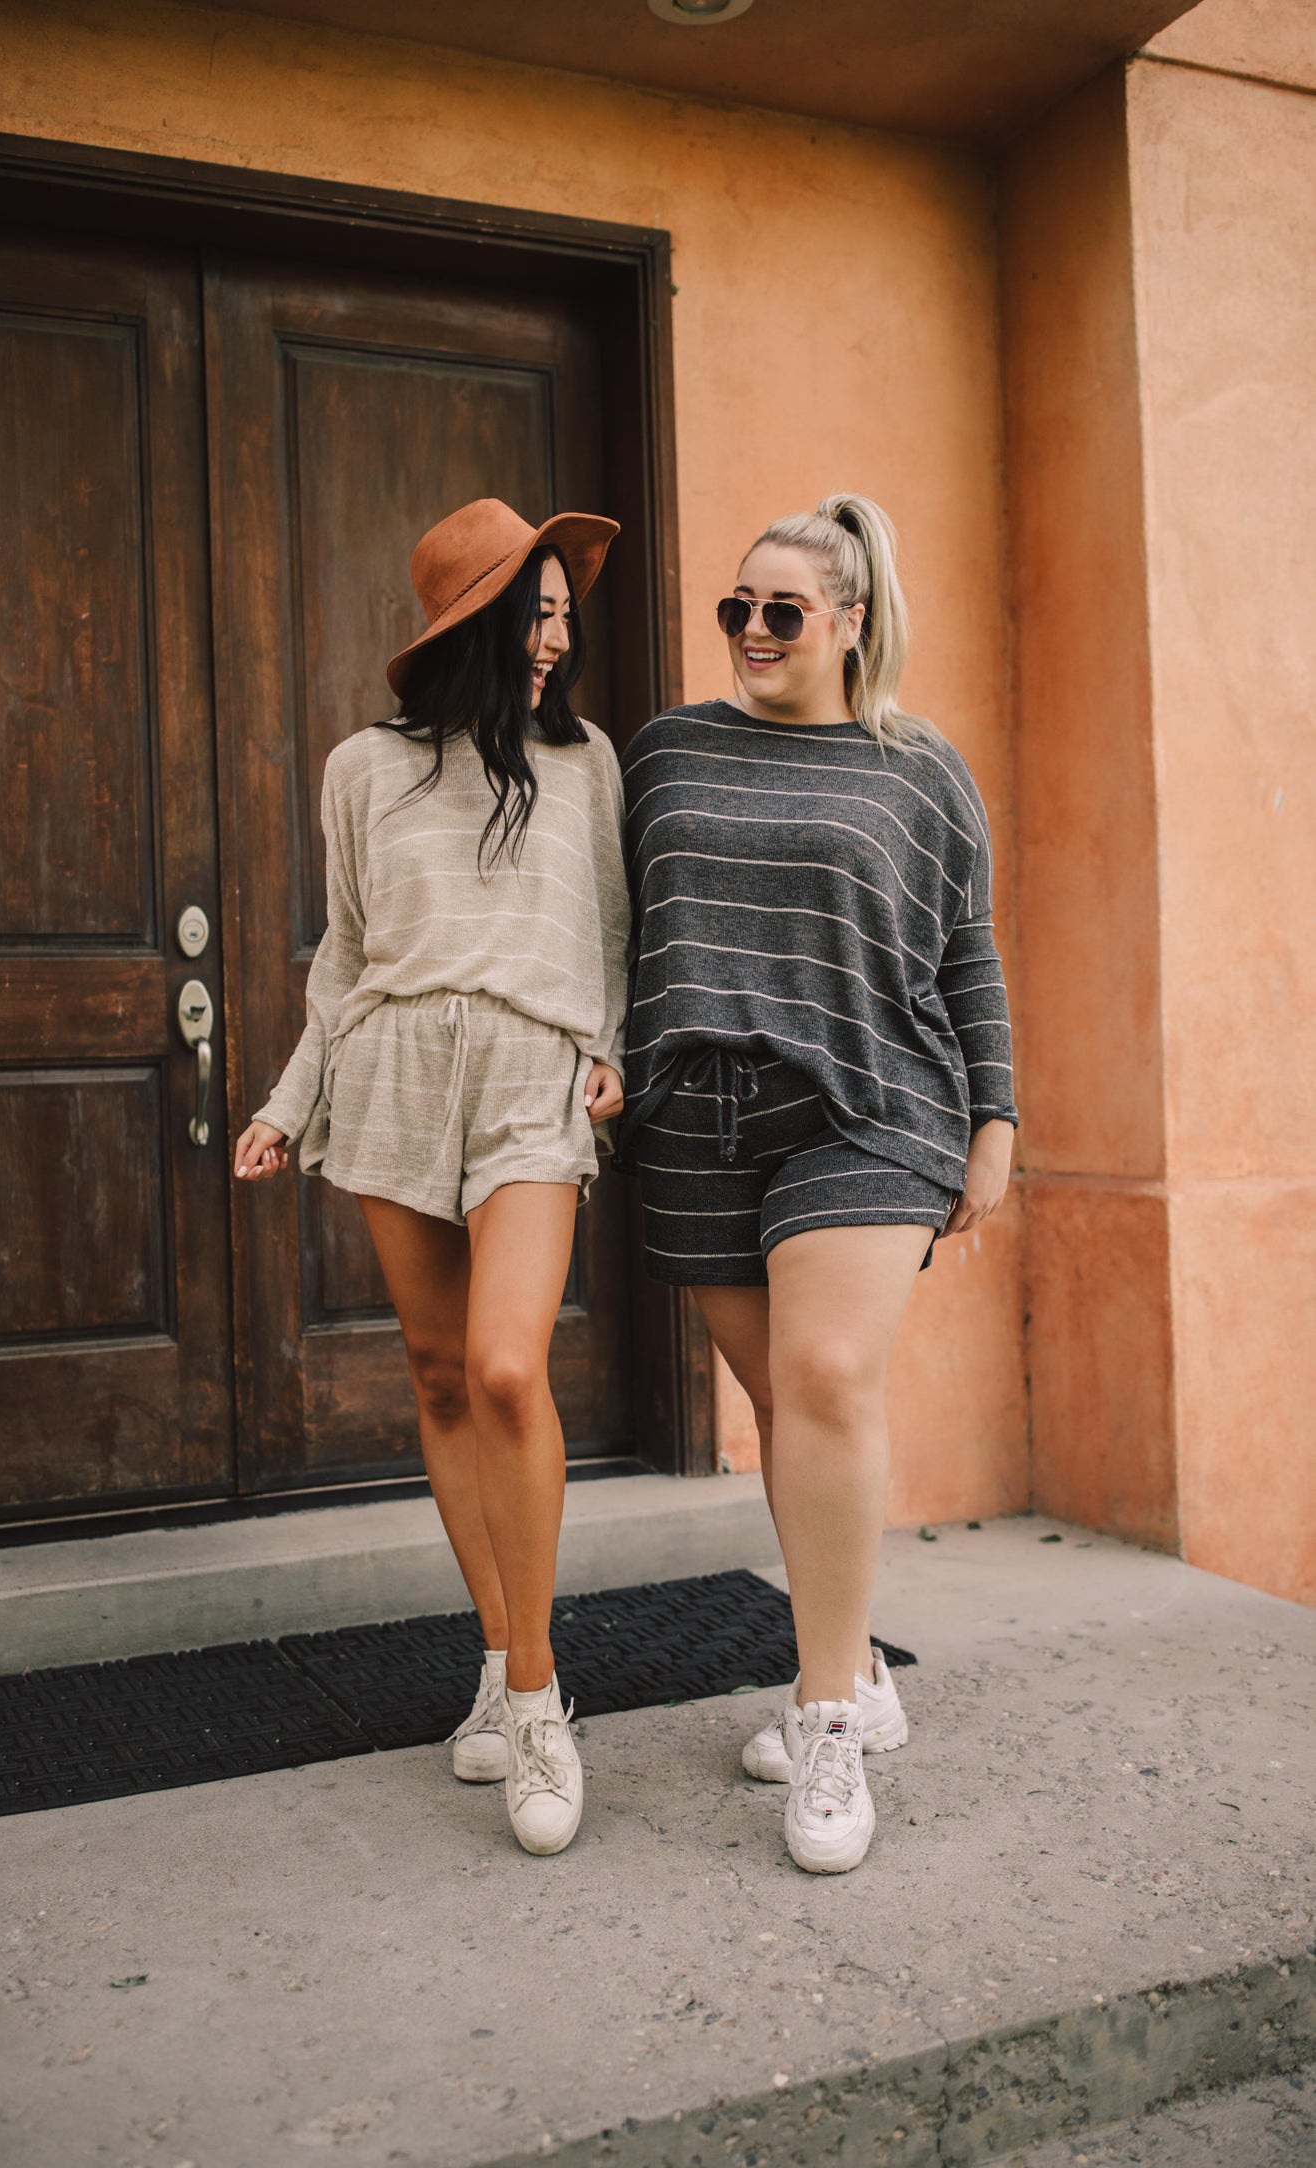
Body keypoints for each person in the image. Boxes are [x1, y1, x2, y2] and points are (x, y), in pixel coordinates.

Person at [618, 494, 1016, 1874]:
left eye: (780, 611)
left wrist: (996, 1119)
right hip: (696, 1122)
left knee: (831, 1377)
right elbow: (608, 925)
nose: (750, 632)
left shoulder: (918, 771)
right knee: (789, 1409)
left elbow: (965, 953)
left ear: (849, 623)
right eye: (735, 609)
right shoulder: (665, 753)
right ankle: (853, 1667)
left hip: (871, 1105)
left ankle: (828, 1716)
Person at [233, 499, 629, 1859]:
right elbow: (341, 961)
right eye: (539, 607)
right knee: (439, 1371)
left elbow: (614, 941)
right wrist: (290, 1102)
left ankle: (535, 1700)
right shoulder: (363, 768)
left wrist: (609, 1051)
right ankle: (498, 1649)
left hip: (528, 1081)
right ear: (475, 619)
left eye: (566, 609)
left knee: (509, 1368)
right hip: (391, 1075)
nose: (558, 632)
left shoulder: (585, 763)